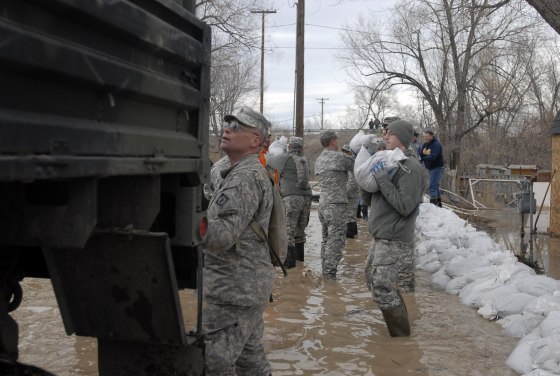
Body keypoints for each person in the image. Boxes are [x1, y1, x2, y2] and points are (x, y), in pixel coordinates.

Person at [202, 106, 275, 375]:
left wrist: (190, 220)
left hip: (235, 289)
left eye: (237, 126)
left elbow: (220, 236)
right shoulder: (239, 172)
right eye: (227, 123)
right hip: (247, 285)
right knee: (250, 361)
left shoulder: (244, 178)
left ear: (255, 140)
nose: (227, 128)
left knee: (211, 362)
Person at [362, 119, 424, 337]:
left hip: (395, 237)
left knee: (382, 287)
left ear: (403, 138)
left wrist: (382, 180)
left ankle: (402, 341)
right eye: (384, 133)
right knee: (372, 279)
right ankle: (402, 327)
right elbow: (372, 202)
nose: (385, 137)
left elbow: (406, 206)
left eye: (390, 133)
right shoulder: (387, 162)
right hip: (381, 235)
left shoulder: (410, 167)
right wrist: (366, 181)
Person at [268, 137, 312, 267]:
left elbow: (268, 160)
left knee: (288, 232)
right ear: (301, 148)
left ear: (290, 147)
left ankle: (290, 267)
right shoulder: (305, 160)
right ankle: (300, 263)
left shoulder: (285, 158)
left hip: (292, 198)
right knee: (300, 232)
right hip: (307, 198)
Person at [314, 130, 353, 279]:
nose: (337, 142)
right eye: (336, 140)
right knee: (335, 240)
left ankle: (325, 271)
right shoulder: (340, 158)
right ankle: (329, 278)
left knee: (326, 239)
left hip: (323, 204)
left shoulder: (319, 159)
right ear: (332, 142)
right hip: (336, 205)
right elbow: (357, 168)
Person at [420, 129, 445, 207]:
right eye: (424, 136)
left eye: (427, 136)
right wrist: (418, 157)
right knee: (435, 186)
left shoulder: (436, 144)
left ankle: (433, 206)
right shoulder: (425, 145)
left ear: (431, 135)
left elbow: (433, 157)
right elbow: (420, 154)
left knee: (432, 186)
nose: (425, 138)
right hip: (430, 168)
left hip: (437, 167)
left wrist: (422, 159)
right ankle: (439, 204)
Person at [341, 145, 359, 238]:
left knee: (350, 216)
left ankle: (350, 237)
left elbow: (352, 181)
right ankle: (353, 236)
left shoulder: (352, 163)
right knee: (351, 216)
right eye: (343, 151)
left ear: (350, 152)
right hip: (350, 193)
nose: (344, 153)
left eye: (346, 151)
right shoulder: (345, 162)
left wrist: (344, 192)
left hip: (351, 194)